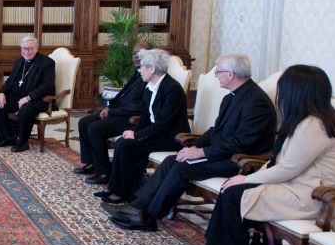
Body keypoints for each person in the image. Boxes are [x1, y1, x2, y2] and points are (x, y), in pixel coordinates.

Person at [203, 65, 335, 245]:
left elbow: (286, 168)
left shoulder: (314, 126)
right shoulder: (307, 120)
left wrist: (246, 178)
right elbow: (277, 161)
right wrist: (244, 180)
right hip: (297, 186)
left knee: (235, 196)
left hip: (317, 197)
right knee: (233, 189)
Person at [105, 53, 277, 231]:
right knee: (172, 160)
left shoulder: (256, 102)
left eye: (218, 72)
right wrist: (195, 146)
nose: (216, 75)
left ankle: (148, 216)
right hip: (222, 152)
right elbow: (215, 130)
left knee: (181, 168)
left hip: (239, 160)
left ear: (231, 74)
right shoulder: (231, 97)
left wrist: (201, 153)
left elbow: (241, 143)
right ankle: (138, 207)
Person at [94, 48, 189, 203]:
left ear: (152, 69)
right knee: (123, 142)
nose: (139, 70)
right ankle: (116, 189)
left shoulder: (172, 89)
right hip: (155, 132)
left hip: (170, 137)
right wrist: (133, 131)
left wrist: (138, 136)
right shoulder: (150, 86)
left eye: (142, 66)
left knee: (127, 145)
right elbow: (145, 117)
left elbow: (164, 123)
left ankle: (124, 193)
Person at [75, 41, 152, 183]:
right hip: (119, 112)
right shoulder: (137, 73)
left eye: (140, 53)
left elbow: (141, 106)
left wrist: (112, 112)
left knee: (95, 128)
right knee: (84, 122)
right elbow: (122, 96)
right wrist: (109, 108)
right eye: (134, 53)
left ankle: (103, 172)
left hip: (132, 119)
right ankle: (91, 162)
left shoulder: (150, 76)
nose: (136, 56)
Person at [0, 35, 56, 153]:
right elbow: (10, 81)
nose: (27, 51)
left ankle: (23, 142)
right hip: (18, 98)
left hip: (39, 99)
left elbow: (47, 86)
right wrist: (2, 93)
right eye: (24, 48)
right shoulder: (20, 61)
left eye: (30, 48)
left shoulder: (47, 63)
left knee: (26, 108)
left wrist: (28, 98)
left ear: (36, 48)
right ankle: (8, 137)